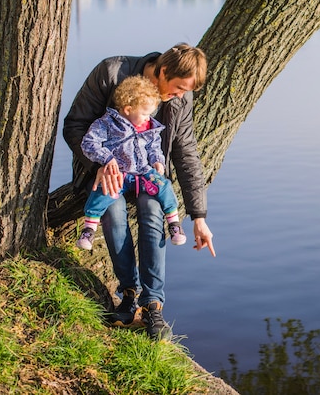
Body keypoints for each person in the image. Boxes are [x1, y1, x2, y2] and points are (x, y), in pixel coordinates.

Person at [63, 43, 216, 341]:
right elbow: (75, 126)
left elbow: (185, 154)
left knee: (152, 211)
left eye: (186, 91)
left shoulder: (181, 100)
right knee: (115, 211)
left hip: (146, 174)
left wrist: (199, 216)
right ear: (161, 71)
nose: (181, 96)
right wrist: (99, 165)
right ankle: (129, 295)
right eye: (176, 89)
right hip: (106, 171)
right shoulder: (111, 72)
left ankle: (152, 304)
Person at [75, 75, 186, 251]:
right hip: (118, 172)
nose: (147, 118)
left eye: (150, 114)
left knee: (164, 186)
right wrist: (106, 158)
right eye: (144, 114)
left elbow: (154, 147)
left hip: (143, 172)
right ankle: (89, 229)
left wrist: (158, 161)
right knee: (103, 191)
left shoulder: (150, 127)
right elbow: (88, 143)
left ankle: (174, 223)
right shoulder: (107, 124)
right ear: (127, 109)